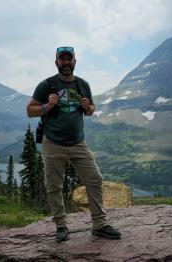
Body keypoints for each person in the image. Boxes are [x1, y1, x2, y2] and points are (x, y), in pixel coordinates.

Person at [27, 46, 121, 242]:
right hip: (53, 143)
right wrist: (48, 105)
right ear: (56, 63)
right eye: (62, 59)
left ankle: (100, 225)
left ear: (75, 62)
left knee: (94, 179)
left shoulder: (82, 84)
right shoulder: (47, 85)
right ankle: (61, 226)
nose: (66, 63)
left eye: (69, 59)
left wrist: (88, 107)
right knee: (54, 186)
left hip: (78, 143)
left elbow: (90, 110)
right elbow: (30, 110)